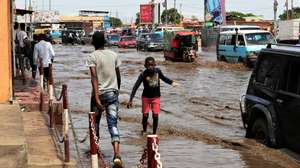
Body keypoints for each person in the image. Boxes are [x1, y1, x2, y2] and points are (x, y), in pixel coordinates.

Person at [86, 31, 122, 167]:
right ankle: (117, 154)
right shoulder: (114, 55)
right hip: (113, 94)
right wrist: (117, 91)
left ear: (93, 43)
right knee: (113, 124)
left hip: (99, 95)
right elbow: (118, 76)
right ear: (105, 42)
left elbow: (94, 78)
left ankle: (95, 151)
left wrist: (97, 98)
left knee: (95, 125)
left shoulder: (92, 57)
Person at [127, 57, 178, 135]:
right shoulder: (143, 74)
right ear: (145, 66)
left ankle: (154, 133)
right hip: (146, 98)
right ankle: (144, 131)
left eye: (152, 65)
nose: (150, 66)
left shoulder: (158, 72)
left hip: (156, 97)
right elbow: (136, 86)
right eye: (148, 65)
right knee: (145, 115)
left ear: (155, 64)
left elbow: (164, 78)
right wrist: (131, 99)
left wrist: (172, 83)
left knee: (155, 115)